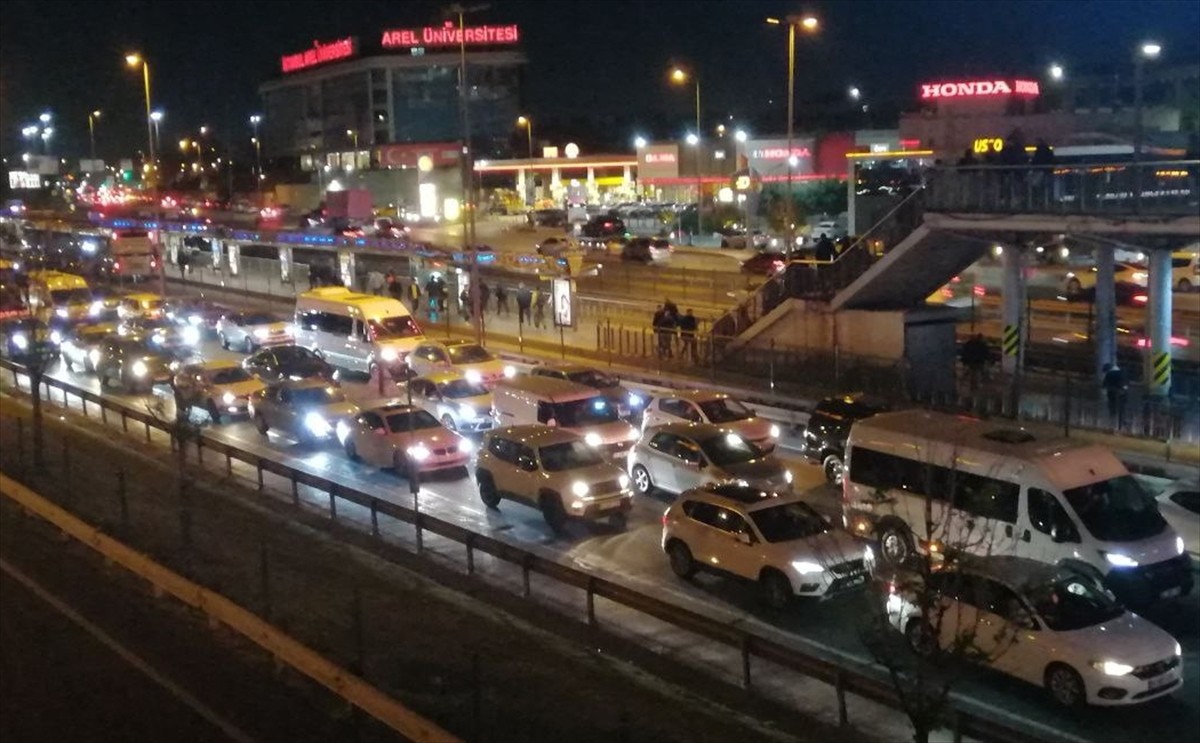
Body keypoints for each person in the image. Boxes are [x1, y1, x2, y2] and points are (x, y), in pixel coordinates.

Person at [1102, 363, 1127, 429]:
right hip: (1122, 395)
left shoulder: (1109, 374)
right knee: (1121, 412)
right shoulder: (1122, 373)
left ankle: (1112, 426)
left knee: (1112, 411)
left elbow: (1104, 385)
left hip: (1112, 395)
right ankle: (1120, 426)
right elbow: (1125, 385)